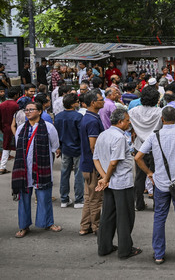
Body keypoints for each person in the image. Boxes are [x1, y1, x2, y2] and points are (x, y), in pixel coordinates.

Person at [135, 107, 175, 264]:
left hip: (161, 183)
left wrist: (149, 173)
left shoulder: (154, 135)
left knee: (159, 217)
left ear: (162, 119)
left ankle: (158, 254)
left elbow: (138, 157)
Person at [94, 109, 142, 259]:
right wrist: (106, 178)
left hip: (110, 183)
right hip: (121, 183)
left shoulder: (103, 135)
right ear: (120, 121)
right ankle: (125, 249)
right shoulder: (119, 138)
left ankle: (104, 246)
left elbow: (95, 159)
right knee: (125, 217)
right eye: (127, 120)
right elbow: (114, 162)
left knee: (107, 216)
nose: (129, 123)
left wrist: (104, 178)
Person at [12, 101, 62, 238]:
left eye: (31, 109)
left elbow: (54, 145)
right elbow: (18, 147)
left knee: (44, 197)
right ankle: (23, 226)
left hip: (42, 169)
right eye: (26, 110)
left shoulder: (49, 127)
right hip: (23, 171)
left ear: (39, 111)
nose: (27, 112)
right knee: (24, 199)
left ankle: (48, 222)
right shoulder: (21, 128)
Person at [128, 86, 163, 211]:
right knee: (156, 175)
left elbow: (128, 127)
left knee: (139, 176)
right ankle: (156, 203)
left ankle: (139, 203)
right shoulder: (159, 112)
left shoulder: (133, 111)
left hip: (139, 146)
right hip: (155, 147)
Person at [79, 89, 105, 236]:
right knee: (95, 198)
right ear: (93, 103)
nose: (103, 102)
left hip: (86, 163)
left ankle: (85, 226)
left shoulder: (88, 118)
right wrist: (100, 167)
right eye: (101, 100)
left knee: (89, 197)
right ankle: (97, 227)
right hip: (92, 165)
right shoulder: (92, 120)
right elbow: (93, 146)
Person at [54, 93, 84, 209]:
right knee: (78, 175)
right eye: (77, 101)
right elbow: (81, 134)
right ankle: (79, 199)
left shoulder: (58, 116)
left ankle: (64, 199)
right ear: (73, 104)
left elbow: (56, 133)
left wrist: (58, 147)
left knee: (64, 173)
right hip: (77, 148)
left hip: (65, 148)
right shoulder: (78, 116)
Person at [0, 87, 20, 174]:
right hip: (15, 128)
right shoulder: (16, 105)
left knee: (6, 147)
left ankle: (2, 166)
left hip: (5, 128)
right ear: (16, 95)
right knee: (19, 147)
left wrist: (2, 128)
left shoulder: (2, 105)